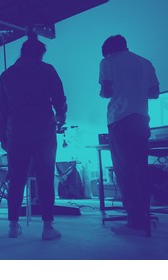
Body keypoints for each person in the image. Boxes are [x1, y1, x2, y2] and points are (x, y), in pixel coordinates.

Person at [0, 33, 67, 240]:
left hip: (16, 133)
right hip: (43, 131)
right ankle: (47, 228)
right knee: (45, 178)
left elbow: (2, 108)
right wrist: (61, 115)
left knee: (16, 180)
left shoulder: (7, 75)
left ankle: (13, 225)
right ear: (40, 54)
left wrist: (2, 135)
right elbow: (59, 98)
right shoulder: (47, 70)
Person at [99, 35, 160, 236]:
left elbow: (106, 91)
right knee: (140, 170)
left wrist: (111, 91)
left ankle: (134, 223)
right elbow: (154, 93)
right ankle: (142, 218)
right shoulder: (144, 62)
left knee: (125, 172)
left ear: (108, 50)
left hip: (120, 121)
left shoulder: (107, 62)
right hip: (141, 120)